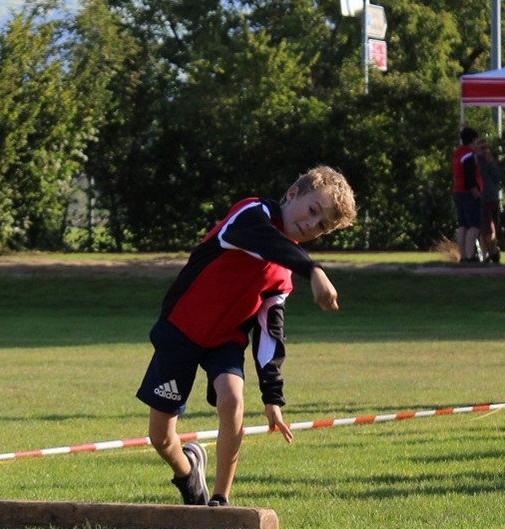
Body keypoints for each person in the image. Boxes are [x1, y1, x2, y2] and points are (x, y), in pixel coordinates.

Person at [135, 166, 356, 506]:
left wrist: (272, 396)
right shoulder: (251, 213)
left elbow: (270, 332)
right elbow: (264, 241)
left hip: (225, 341)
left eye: (323, 225)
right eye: (313, 211)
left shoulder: (284, 272)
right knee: (161, 437)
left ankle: (221, 498)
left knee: (232, 399)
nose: (313, 225)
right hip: (181, 330)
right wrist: (313, 269)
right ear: (293, 194)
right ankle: (188, 471)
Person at [451, 127, 482, 263]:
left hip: (457, 191)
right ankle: (469, 255)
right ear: (473, 140)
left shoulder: (458, 154)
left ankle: (463, 255)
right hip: (468, 193)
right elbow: (470, 178)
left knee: (462, 224)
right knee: (474, 225)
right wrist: (476, 194)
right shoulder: (469, 155)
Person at [476, 139, 502, 263]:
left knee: (493, 231)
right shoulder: (475, 163)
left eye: (486, 148)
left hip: (494, 199)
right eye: (482, 148)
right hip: (482, 200)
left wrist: (491, 163)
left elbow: (498, 177)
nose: (485, 150)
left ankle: (491, 253)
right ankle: (489, 253)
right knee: (488, 231)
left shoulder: (491, 162)